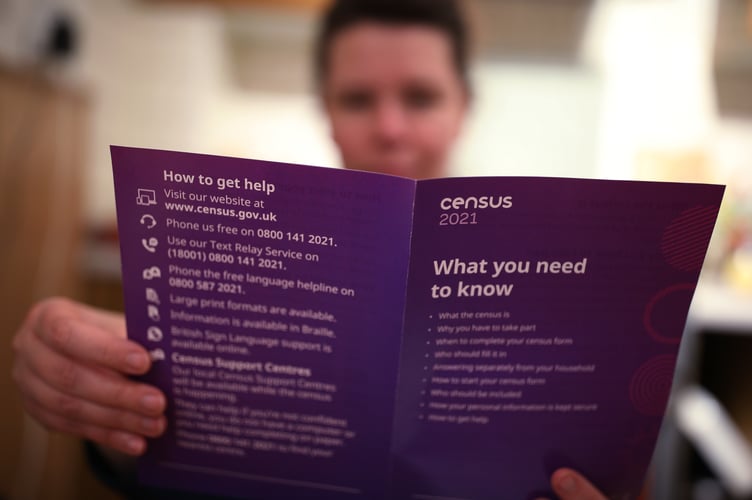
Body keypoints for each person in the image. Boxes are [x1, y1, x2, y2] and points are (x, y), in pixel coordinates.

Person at [12, 0, 608, 498]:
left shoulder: (559, 296)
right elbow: (175, 467)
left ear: (463, 109)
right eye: (358, 99)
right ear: (326, 112)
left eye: (421, 97)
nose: (390, 128)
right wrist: (103, 404)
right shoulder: (249, 269)